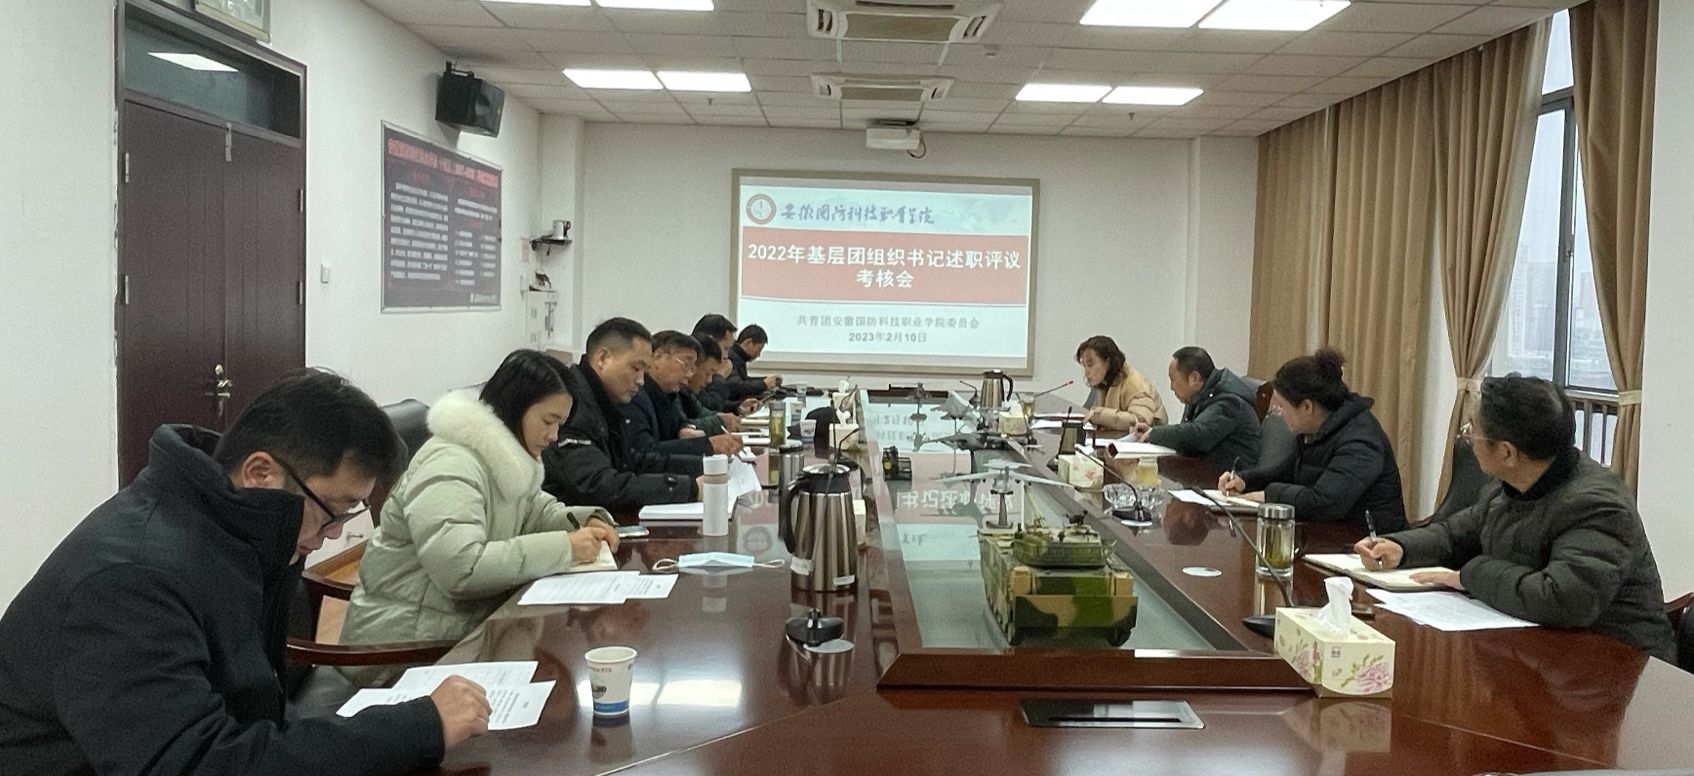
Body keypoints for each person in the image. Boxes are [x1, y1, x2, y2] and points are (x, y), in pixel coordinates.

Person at [0, 369, 490, 775]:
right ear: (261, 473)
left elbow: (252, 711)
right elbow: (196, 763)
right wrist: (417, 727)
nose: (334, 535)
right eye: (333, 511)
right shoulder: (131, 582)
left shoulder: (235, 533)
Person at [339, 351, 621, 684]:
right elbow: (462, 568)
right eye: (548, 421)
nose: (554, 436)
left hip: (462, 630)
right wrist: (567, 548)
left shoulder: (503, 458)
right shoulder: (451, 465)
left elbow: (535, 509)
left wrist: (585, 521)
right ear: (515, 407)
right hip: (404, 653)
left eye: (560, 424)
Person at [1356, 375, 1675, 662]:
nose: (1467, 437)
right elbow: (1458, 533)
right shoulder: (1511, 484)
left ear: (1507, 452)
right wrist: (1401, 547)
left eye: (1472, 431)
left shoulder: (1597, 506)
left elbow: (1562, 600)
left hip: (1615, 666)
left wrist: (1468, 575)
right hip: (1539, 650)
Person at [1219, 348, 1406, 531]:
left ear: (1307, 407)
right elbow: (1286, 472)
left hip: (1367, 542)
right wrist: (1245, 480)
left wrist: (1268, 495)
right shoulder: (1315, 429)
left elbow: (1325, 503)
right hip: (1325, 534)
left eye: (1281, 406)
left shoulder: (1360, 441)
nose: (1277, 413)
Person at [543, 317, 702, 510]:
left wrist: (704, 465)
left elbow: (631, 462)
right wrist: (689, 488)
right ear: (603, 359)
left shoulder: (605, 400)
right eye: (635, 368)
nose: (640, 380)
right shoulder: (571, 404)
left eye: (644, 371)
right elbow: (596, 485)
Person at [1141, 346, 1261, 471]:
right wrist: (1152, 431)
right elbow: (1186, 434)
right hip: (1204, 469)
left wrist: (1155, 434)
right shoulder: (1200, 395)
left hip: (1227, 476)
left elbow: (1198, 435)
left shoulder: (1230, 402)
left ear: (1194, 378)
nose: (1171, 387)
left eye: (1173, 379)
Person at [624, 331, 742, 458]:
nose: (690, 374)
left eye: (693, 368)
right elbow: (644, 453)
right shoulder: (635, 396)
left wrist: (686, 429)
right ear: (657, 357)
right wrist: (707, 446)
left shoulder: (669, 395)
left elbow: (682, 425)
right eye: (686, 365)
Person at [1076, 335, 1167, 432]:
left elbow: (1140, 421)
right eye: (1084, 366)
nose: (1086, 372)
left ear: (1108, 361)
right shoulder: (1102, 384)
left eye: (1090, 365)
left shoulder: (1136, 384)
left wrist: (1099, 415)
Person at [691, 313, 761, 415]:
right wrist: (719, 377)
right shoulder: (690, 373)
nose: (726, 356)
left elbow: (704, 403)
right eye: (725, 348)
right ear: (709, 342)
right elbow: (710, 407)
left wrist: (737, 407)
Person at [681, 334, 740, 436]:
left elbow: (699, 411)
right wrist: (720, 421)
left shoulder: (685, 393)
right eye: (708, 373)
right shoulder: (672, 391)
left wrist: (724, 417)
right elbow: (680, 426)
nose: (709, 380)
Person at [727, 323, 781, 399]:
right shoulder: (730, 357)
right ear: (748, 342)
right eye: (759, 349)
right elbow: (737, 386)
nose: (759, 355)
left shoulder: (738, 357)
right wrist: (764, 384)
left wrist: (766, 380)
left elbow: (744, 380)